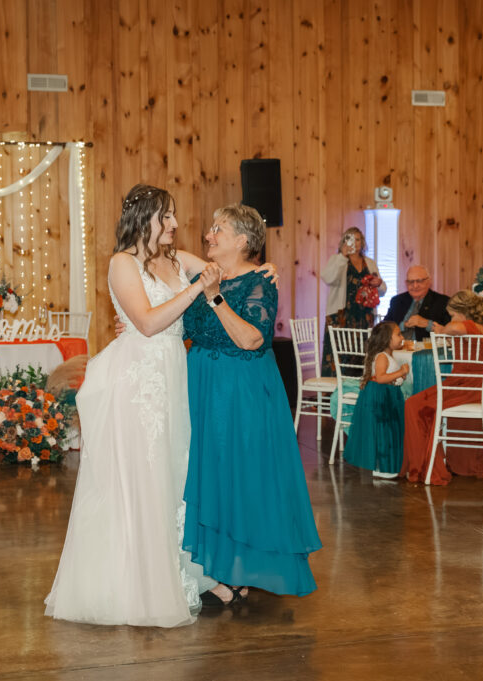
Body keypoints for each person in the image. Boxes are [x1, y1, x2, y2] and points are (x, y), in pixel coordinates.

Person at [45, 184, 216, 627]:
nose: (176, 225)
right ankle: (135, 586)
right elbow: (146, 321)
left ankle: (176, 572)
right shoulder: (122, 263)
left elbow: (225, 270)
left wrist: (263, 265)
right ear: (146, 218)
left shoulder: (177, 261)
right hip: (136, 382)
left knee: (172, 476)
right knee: (141, 479)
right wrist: (197, 289)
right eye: (168, 216)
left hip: (171, 377)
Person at [183, 203, 321, 601]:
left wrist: (216, 299)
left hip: (239, 391)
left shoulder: (261, 282)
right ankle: (218, 568)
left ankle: (242, 569)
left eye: (219, 230)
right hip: (203, 386)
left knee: (241, 473)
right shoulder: (206, 276)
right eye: (210, 228)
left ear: (243, 240)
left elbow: (251, 339)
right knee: (211, 473)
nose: (209, 235)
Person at [400, 291, 483, 485]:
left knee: (414, 404)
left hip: (470, 386)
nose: (450, 318)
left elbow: (454, 327)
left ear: (463, 312)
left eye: (452, 314)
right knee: (419, 402)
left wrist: (432, 326)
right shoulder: (477, 327)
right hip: (481, 386)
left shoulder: (469, 325)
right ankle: (430, 461)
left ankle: (425, 464)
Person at [342, 322, 410, 478]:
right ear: (386, 339)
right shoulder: (381, 356)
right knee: (384, 430)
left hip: (389, 394)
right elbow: (380, 378)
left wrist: (398, 376)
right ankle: (382, 467)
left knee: (390, 430)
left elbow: (387, 376)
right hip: (382, 395)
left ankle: (388, 465)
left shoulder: (387, 355)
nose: (402, 337)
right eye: (398, 334)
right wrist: (400, 371)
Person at [320, 227, 386, 375]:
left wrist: (378, 283)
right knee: (339, 356)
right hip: (341, 317)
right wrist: (343, 257)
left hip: (364, 318)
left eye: (357, 239)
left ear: (362, 242)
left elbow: (383, 290)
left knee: (362, 356)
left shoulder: (369, 263)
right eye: (350, 239)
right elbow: (328, 278)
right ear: (343, 242)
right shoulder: (337, 260)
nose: (354, 243)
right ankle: (334, 393)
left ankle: (358, 391)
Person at [383, 265, 450, 342]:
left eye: (419, 281)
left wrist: (428, 324)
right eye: (411, 282)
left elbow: (450, 331)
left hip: (428, 351)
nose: (415, 286)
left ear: (429, 281)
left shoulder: (443, 302)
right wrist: (403, 325)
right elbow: (384, 328)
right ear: (406, 283)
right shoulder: (397, 301)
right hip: (397, 349)